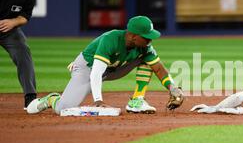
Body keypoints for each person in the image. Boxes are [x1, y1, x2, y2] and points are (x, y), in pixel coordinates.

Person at [26, 16, 184, 115]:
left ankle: (137, 100)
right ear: (133, 36)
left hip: (113, 70)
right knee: (63, 109)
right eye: (147, 37)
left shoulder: (144, 47)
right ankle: (51, 99)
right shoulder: (111, 39)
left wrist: (173, 88)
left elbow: (158, 68)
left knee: (147, 60)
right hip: (87, 69)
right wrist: (98, 100)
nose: (150, 40)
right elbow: (96, 72)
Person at [0, 0, 37, 109]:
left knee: (23, 50)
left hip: (8, 30)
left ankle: (30, 97)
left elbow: (25, 16)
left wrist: (14, 22)